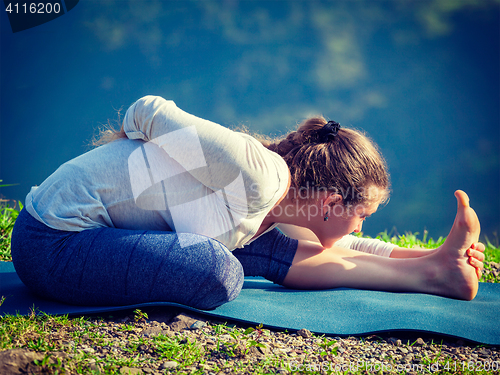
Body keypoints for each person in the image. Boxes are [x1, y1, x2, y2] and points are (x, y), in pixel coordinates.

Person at [11, 96, 484, 311]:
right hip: (54, 241)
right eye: (362, 216)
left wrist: (435, 254)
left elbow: (346, 250)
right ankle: (433, 271)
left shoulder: (282, 205)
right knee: (220, 271)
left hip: (105, 235)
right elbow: (150, 110)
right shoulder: (258, 175)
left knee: (265, 247)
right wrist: (137, 162)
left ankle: (433, 274)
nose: (360, 229)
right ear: (333, 201)